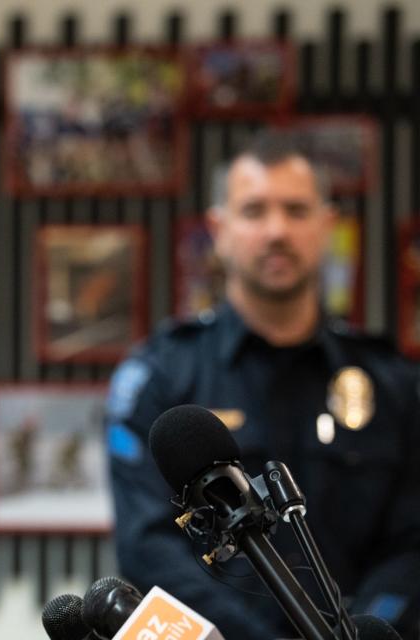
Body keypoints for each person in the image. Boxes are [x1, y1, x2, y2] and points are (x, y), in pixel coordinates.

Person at [105, 131, 420, 640]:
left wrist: (360, 632)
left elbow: (412, 543)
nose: (277, 230)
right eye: (254, 211)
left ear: (328, 225)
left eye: (296, 210)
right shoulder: (162, 377)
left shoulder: (394, 383)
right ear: (219, 228)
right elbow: (148, 547)